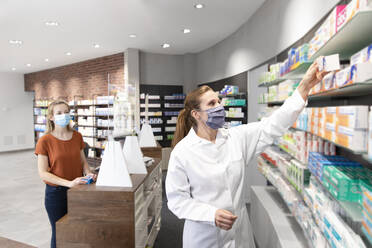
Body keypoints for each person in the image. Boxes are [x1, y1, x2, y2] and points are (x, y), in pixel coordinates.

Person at [165, 61, 328, 248]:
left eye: (219, 101)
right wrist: (211, 215)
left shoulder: (236, 137)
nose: (219, 106)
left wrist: (303, 87)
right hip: (205, 236)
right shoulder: (183, 152)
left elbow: (273, 125)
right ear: (196, 114)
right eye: (212, 103)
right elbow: (177, 201)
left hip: (240, 232)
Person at [35, 100, 97, 248]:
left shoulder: (77, 136)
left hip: (79, 190)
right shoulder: (44, 141)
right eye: (59, 113)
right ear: (51, 117)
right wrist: (69, 183)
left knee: (78, 231)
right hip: (56, 194)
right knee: (60, 234)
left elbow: (83, 162)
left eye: (66, 112)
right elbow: (43, 173)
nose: (64, 115)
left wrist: (89, 174)